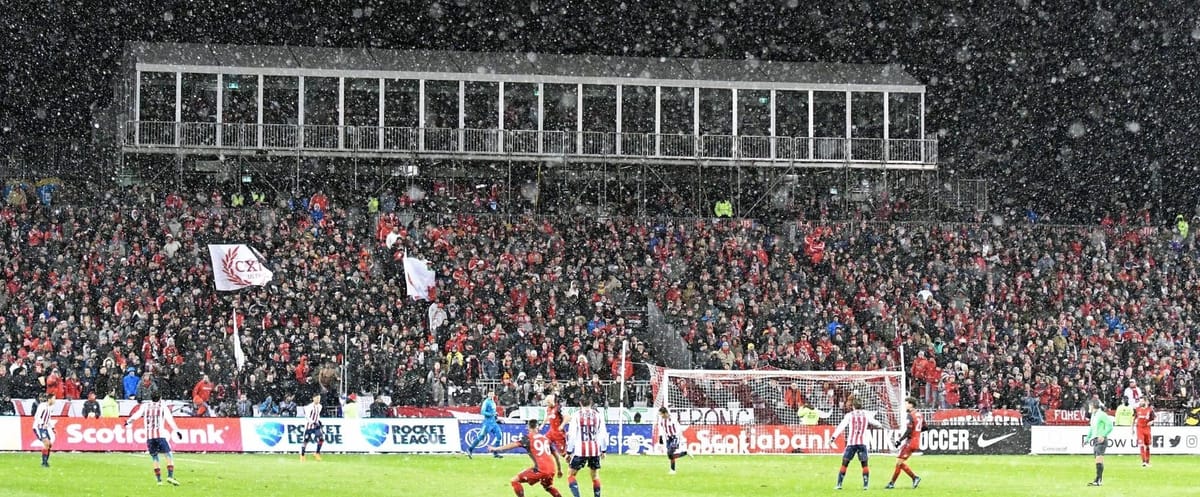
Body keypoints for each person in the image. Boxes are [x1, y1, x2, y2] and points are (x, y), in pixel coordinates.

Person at [489, 418, 564, 497]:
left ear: (528, 427)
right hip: (551, 469)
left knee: (514, 481)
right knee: (548, 487)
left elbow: (512, 445)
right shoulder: (546, 439)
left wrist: (496, 449)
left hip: (541, 470)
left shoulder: (528, 438)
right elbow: (556, 456)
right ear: (537, 427)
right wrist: (559, 470)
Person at [125, 391, 181, 486]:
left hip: (149, 437)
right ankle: (170, 476)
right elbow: (170, 420)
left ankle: (159, 481)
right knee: (168, 455)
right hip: (160, 436)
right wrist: (177, 430)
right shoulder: (162, 407)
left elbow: (137, 415)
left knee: (155, 457)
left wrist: (128, 421)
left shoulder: (145, 406)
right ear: (160, 398)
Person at [828, 398, 883, 490]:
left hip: (851, 443)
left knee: (845, 463)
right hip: (862, 443)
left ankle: (839, 484)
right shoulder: (866, 414)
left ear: (853, 406)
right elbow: (876, 423)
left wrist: (833, 438)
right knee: (864, 464)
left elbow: (841, 427)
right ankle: (865, 485)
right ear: (861, 406)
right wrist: (880, 425)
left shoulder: (849, 415)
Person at [565, 395, 607, 497]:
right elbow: (603, 434)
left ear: (580, 403)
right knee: (595, 476)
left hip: (581, 450)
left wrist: (569, 452)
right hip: (594, 450)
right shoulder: (598, 415)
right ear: (591, 403)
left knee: (571, 475)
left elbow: (572, 435)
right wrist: (603, 450)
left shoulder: (576, 415)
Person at [886, 397, 923, 489]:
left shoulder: (910, 415)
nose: (905, 406)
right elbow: (925, 427)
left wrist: (900, 440)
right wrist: (916, 433)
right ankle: (892, 483)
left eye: (906, 404)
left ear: (911, 404)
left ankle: (914, 478)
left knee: (899, 462)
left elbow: (909, 430)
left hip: (910, 442)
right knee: (899, 462)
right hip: (916, 441)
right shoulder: (919, 414)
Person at [467, 391, 503, 458]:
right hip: (487, 423)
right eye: (490, 394)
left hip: (493, 423)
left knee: (499, 435)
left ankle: (495, 453)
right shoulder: (486, 402)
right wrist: (491, 414)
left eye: (492, 394)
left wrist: (495, 415)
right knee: (481, 437)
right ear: (488, 394)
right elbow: (482, 412)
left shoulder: (493, 402)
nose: (491, 395)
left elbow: (493, 412)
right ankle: (470, 449)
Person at [654, 407, 690, 474]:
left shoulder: (673, 419)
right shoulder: (661, 420)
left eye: (661, 414)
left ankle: (673, 470)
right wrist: (660, 437)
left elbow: (679, 428)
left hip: (675, 437)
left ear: (665, 413)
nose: (661, 416)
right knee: (670, 455)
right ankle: (684, 454)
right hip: (668, 438)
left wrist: (680, 438)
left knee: (670, 452)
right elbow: (661, 428)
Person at [1086, 400, 1114, 486]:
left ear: (1093, 406)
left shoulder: (1101, 414)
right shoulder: (1093, 415)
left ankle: (1098, 480)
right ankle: (1098, 479)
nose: (1089, 408)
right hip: (1095, 439)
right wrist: (1087, 438)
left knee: (1099, 459)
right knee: (1097, 460)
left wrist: (1103, 435)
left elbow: (1110, 425)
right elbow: (1092, 428)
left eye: (1090, 406)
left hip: (1101, 440)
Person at [32, 393, 56, 467]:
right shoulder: (42, 406)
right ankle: (44, 463)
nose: (55, 400)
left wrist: (52, 427)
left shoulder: (50, 407)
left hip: (44, 428)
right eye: (54, 399)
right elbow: (37, 416)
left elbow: (48, 418)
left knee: (49, 444)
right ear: (49, 399)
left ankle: (45, 461)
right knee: (46, 443)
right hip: (38, 427)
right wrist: (42, 423)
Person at [300, 394, 324, 461]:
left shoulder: (320, 406)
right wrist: (313, 422)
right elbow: (307, 416)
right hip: (309, 426)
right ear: (313, 398)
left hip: (316, 426)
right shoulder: (309, 407)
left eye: (319, 398)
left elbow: (317, 415)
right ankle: (302, 455)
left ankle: (317, 453)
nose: (318, 400)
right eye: (317, 398)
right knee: (306, 440)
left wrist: (318, 421)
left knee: (321, 439)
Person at [1134, 398, 1156, 467]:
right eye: (1140, 401)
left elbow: (1154, 418)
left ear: (1146, 402)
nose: (1140, 402)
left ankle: (1147, 462)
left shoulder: (1150, 410)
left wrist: (1152, 422)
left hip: (1147, 429)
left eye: (1142, 401)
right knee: (1141, 445)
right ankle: (1143, 462)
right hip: (1139, 429)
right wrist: (1132, 428)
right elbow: (1134, 418)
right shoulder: (1137, 409)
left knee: (1147, 446)